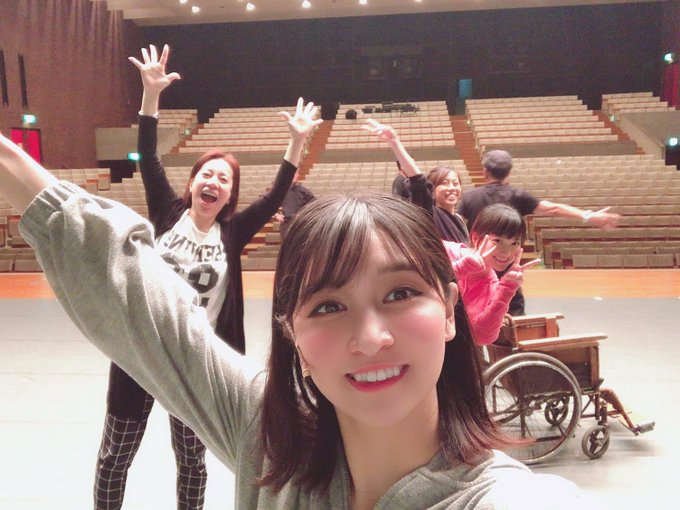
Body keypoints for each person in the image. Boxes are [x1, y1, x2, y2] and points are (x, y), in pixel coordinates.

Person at [1, 133, 595, 509]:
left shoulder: (505, 498)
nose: (371, 339)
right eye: (329, 306)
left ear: (448, 311)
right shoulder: (266, 438)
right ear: (292, 334)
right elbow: (137, 297)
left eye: (400, 293)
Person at [94, 44, 321, 510]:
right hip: (140, 349)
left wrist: (297, 141)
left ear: (229, 195)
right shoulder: (167, 212)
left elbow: (276, 193)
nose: (213, 182)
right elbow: (147, 155)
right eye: (207, 174)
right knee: (115, 457)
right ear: (193, 182)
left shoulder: (233, 232)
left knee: (192, 461)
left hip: (194, 360)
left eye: (224, 180)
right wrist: (150, 95)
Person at [457, 149, 621, 315]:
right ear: (508, 173)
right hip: (507, 265)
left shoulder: (471, 197)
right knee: (512, 308)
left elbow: (458, 226)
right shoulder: (517, 195)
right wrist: (589, 216)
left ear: (485, 171)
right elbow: (553, 209)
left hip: (478, 266)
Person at [444, 204, 540, 346]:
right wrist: (461, 268)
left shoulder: (492, 284)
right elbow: (420, 285)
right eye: (498, 241)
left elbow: (481, 337)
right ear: (475, 237)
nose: (506, 252)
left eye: (514, 243)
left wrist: (507, 290)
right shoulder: (445, 250)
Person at [363, 119, 469, 243]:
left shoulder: (459, 219)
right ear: (432, 190)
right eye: (444, 183)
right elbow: (419, 182)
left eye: (455, 183)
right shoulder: (428, 214)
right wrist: (394, 142)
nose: (452, 188)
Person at [273, 169, 315, 239]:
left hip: (300, 224)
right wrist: (276, 215)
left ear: (298, 175)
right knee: (286, 245)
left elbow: (315, 204)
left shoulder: (304, 191)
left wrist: (307, 216)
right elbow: (271, 205)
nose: (293, 176)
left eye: (295, 174)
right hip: (286, 224)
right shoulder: (281, 191)